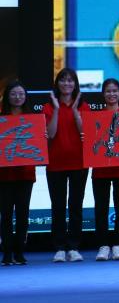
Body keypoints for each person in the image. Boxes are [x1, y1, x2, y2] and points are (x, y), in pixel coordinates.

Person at [43, 68, 88, 263]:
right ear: (57, 83)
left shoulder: (84, 106)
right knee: (58, 206)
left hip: (79, 162)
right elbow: (51, 134)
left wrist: (76, 111)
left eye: (70, 80)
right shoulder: (48, 107)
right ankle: (60, 247)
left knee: (76, 206)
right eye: (63, 80)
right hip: (55, 164)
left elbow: (85, 132)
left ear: (75, 84)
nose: (67, 84)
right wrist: (57, 109)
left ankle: (74, 247)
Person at [91, 78, 119, 262]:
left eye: (115, 91)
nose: (111, 94)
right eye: (108, 91)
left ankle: (118, 245)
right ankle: (103, 245)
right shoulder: (95, 118)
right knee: (101, 207)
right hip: (101, 169)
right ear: (103, 94)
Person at [0, 81, 35, 265]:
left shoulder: (32, 119)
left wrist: (41, 137)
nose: (17, 97)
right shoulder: (1, 118)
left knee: (23, 214)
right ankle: (6, 253)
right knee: (6, 215)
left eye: (21, 94)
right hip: (4, 174)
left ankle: (20, 252)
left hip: (25, 173)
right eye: (13, 94)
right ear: (7, 96)